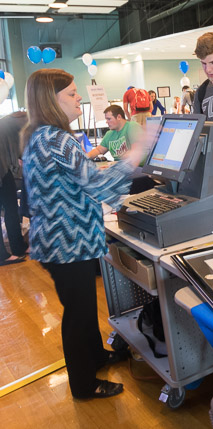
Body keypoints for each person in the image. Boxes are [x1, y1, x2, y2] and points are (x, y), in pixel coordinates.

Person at [21, 68, 146, 399]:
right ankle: (83, 384)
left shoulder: (41, 135)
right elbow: (97, 183)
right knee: (78, 313)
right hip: (67, 242)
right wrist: (134, 157)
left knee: (85, 305)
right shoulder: (56, 139)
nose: (79, 98)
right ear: (52, 100)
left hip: (60, 240)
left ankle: (96, 357)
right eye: (72, 93)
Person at [0, 111, 28, 265]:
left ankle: (18, 247)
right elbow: (22, 151)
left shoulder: (9, 121)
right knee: (11, 209)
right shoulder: (24, 122)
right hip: (2, 169)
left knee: (11, 208)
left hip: (4, 170)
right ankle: (3, 255)